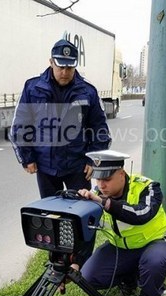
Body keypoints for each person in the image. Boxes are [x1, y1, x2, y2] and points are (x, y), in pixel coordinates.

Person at [74, 150, 166, 296]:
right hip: (120, 249)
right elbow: (85, 230)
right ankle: (129, 278)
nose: (101, 185)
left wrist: (105, 203)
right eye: (98, 179)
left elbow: (141, 214)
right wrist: (75, 260)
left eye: (106, 179)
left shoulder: (149, 187)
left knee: (155, 263)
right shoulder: (97, 194)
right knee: (88, 277)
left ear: (121, 174)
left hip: (155, 244)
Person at [9, 39, 112, 198]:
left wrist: (94, 160)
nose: (65, 72)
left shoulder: (88, 92)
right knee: (51, 215)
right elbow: (20, 126)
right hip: (45, 168)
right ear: (51, 62)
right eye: (60, 66)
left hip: (78, 168)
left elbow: (100, 130)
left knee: (81, 212)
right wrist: (27, 158)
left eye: (70, 67)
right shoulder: (33, 88)